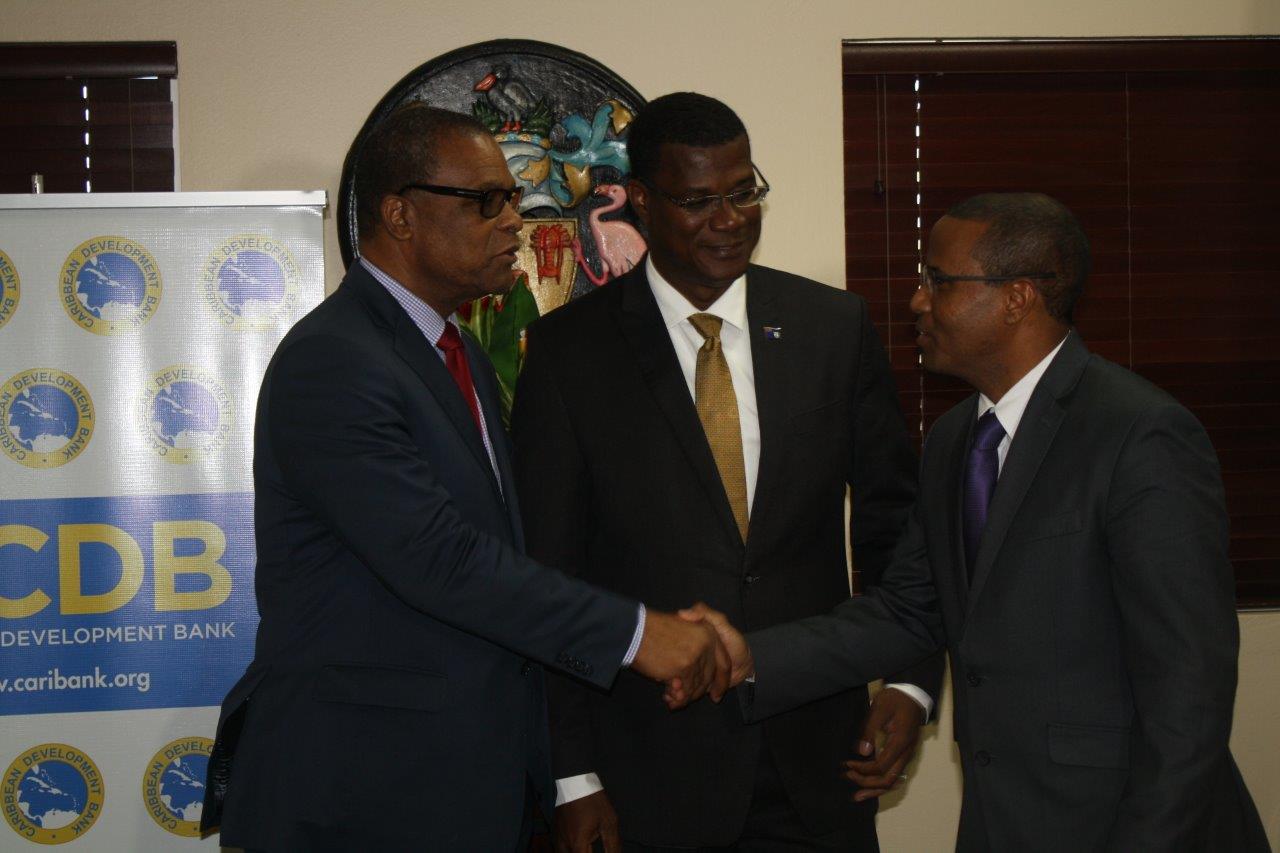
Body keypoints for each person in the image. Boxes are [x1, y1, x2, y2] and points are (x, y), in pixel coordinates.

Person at [198, 104, 732, 852]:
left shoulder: (460, 354)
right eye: (486, 200)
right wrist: (640, 634)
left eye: (511, 197)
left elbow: (507, 551)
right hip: (358, 797)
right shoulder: (335, 360)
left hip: (463, 787)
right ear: (400, 214)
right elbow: (442, 559)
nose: (514, 219)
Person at [705, 193, 1269, 851]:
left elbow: (1189, 690)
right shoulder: (954, 440)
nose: (917, 301)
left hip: (1125, 825)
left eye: (938, 281)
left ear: (1017, 298)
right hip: (1004, 820)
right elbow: (910, 610)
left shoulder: (1140, 435)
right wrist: (748, 657)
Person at [510, 92, 942, 852]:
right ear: (641, 201)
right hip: (649, 767)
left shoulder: (832, 328)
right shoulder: (568, 354)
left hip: (822, 755)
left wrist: (909, 680)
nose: (730, 219)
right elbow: (550, 572)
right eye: (699, 200)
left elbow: (895, 525)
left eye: (744, 192)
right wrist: (571, 774)